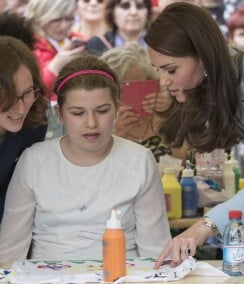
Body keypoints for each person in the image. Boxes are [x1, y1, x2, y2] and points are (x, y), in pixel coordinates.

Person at [144, 3, 244, 284]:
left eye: (171, 69)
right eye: (159, 70)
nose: (163, 81)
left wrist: (204, 227)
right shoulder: (231, 86)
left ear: (202, 57)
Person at [0, 54, 171, 268]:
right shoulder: (34, 161)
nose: (91, 123)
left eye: (102, 111)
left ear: (117, 107)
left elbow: (157, 252)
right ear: (59, 114)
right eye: (78, 113)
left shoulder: (139, 160)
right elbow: (9, 253)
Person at [101, 42, 188, 163]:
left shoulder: (171, 111)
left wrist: (169, 121)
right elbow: (97, 174)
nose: (122, 97)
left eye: (132, 88)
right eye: (117, 90)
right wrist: (116, 137)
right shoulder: (97, 123)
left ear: (152, 83)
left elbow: (186, 166)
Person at [0, 36, 48, 222]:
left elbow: (22, 193)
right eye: (8, 97)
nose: (20, 109)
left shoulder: (34, 123)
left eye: (27, 93)